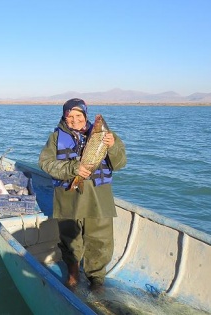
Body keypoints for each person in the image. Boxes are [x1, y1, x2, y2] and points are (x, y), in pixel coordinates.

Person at [38, 98, 126, 291]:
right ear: (64, 116)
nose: (75, 120)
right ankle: (72, 272)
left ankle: (96, 279)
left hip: (98, 196)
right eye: (70, 116)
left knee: (100, 240)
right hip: (68, 195)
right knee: (70, 238)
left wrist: (113, 146)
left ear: (85, 116)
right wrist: (73, 168)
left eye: (79, 115)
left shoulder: (106, 136)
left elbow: (119, 164)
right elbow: (45, 163)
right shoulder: (55, 138)